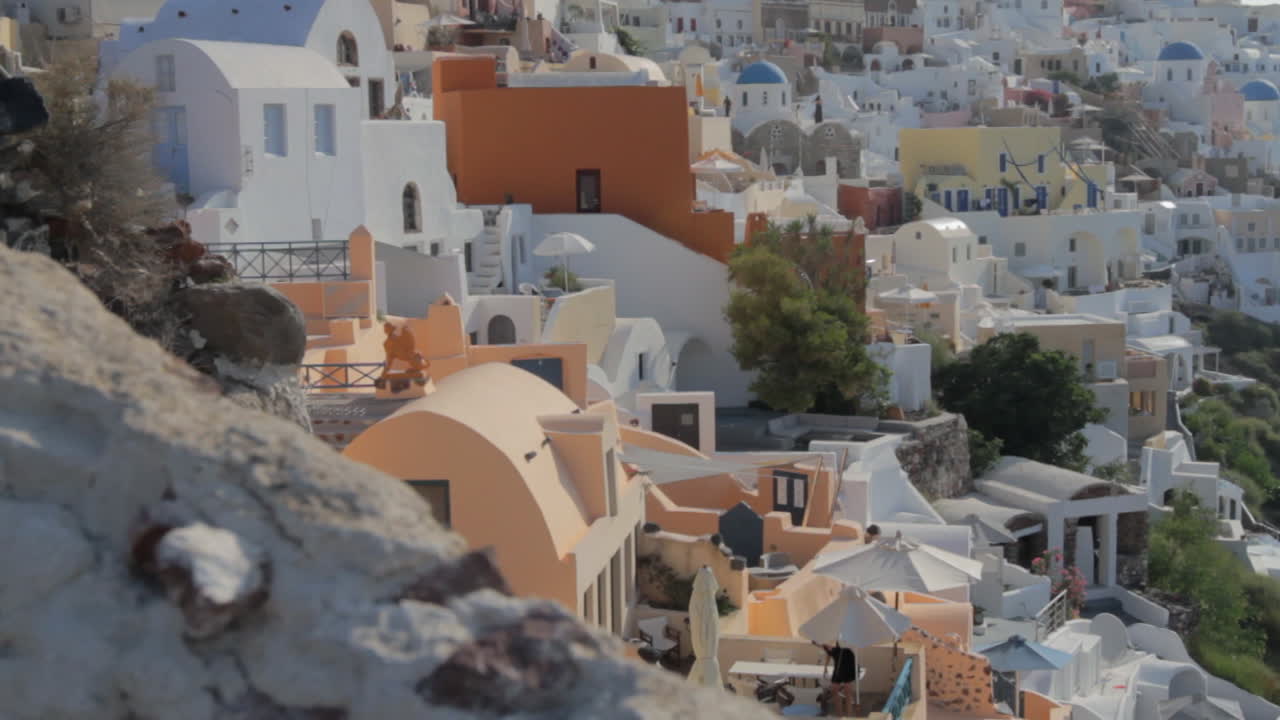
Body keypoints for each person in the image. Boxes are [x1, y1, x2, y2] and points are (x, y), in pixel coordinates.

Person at [814, 640, 858, 716]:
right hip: (838, 665)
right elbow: (828, 653)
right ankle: (840, 716)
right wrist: (825, 666)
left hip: (848, 662)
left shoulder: (841, 643)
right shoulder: (829, 647)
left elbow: (829, 650)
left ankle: (848, 716)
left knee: (848, 692)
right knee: (834, 690)